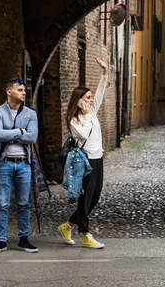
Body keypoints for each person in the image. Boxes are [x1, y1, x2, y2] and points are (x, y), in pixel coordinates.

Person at [58, 56, 108, 249]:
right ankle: (86, 235)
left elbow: (102, 91)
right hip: (84, 162)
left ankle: (67, 225)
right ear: (79, 101)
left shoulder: (92, 112)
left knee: (94, 198)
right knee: (85, 198)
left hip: (98, 159)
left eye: (90, 97)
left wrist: (104, 72)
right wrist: (86, 114)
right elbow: (85, 134)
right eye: (87, 97)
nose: (91, 99)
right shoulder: (74, 120)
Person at [0, 78, 39, 254]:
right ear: (9, 92)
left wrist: (11, 134)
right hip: (4, 164)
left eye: (24, 90)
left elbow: (32, 137)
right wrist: (20, 132)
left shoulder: (30, 114)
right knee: (1, 203)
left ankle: (23, 239)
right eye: (20, 90)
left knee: (24, 203)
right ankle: (1, 240)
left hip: (23, 164)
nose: (24, 93)